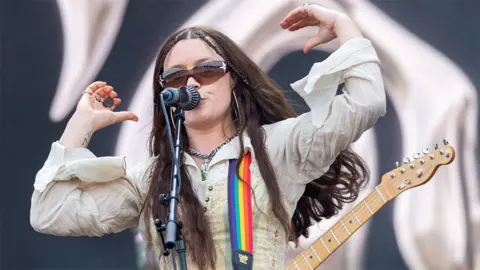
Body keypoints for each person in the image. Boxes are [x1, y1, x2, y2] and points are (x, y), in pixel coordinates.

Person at [30, 4, 386, 270]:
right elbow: (49, 214)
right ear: (165, 94)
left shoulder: (280, 149)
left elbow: (365, 102)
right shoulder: (150, 180)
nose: (191, 83)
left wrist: (346, 26)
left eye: (208, 70)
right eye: (174, 77)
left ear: (235, 80)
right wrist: (79, 127)